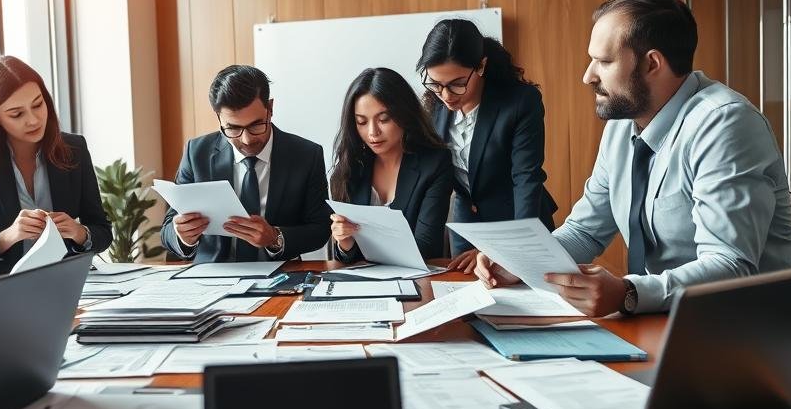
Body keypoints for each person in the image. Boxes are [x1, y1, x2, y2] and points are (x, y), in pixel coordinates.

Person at [476, 0, 791, 316]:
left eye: (604, 62)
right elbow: (586, 230)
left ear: (652, 63)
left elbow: (730, 265)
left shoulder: (724, 124)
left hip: (758, 327)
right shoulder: (623, 126)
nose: (587, 76)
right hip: (674, 319)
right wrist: (520, 259)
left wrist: (629, 293)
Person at [0, 56, 112, 276]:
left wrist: (80, 232)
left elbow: (102, 231)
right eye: (17, 114)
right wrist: (6, 237)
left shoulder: (74, 149)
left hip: (69, 282)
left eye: (38, 104)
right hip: (7, 288)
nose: (33, 120)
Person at [418, 19, 557, 272]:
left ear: (481, 66)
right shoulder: (435, 106)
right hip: (468, 227)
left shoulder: (519, 102)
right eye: (436, 84)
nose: (446, 95)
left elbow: (526, 178)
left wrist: (507, 249)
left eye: (457, 83)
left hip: (518, 224)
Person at [161, 65, 330, 262]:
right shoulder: (197, 152)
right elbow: (167, 230)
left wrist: (275, 238)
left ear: (270, 109)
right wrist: (183, 236)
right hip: (212, 278)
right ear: (219, 118)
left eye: (256, 125)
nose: (247, 140)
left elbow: (320, 229)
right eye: (233, 128)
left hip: (281, 277)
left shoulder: (306, 155)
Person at [329, 68, 453, 262]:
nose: (373, 132)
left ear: (404, 114)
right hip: (364, 283)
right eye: (361, 122)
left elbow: (427, 247)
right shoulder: (349, 169)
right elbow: (345, 258)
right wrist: (345, 243)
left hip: (417, 281)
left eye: (384, 119)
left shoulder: (435, 164)